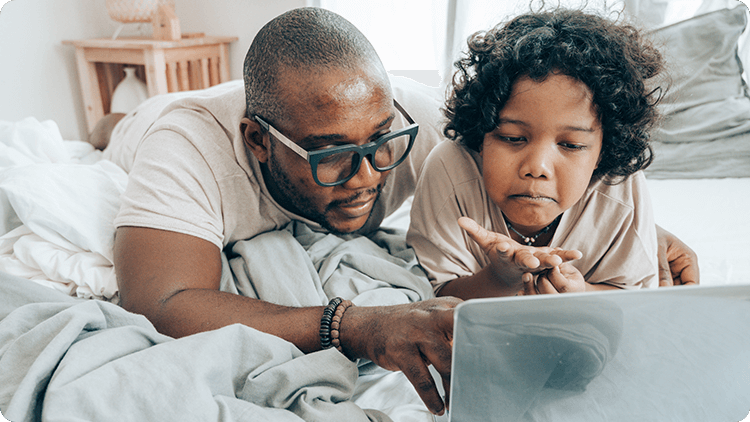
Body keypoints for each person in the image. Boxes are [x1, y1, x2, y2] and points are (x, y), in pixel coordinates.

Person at [98, 6, 698, 417]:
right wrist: (353, 324)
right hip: (148, 126)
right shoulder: (188, 153)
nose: (368, 177)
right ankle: (106, 126)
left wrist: (640, 228)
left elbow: (532, 165)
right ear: (258, 142)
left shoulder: (418, 125)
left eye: (379, 143)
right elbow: (162, 302)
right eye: (333, 155)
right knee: (113, 131)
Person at [407, 8, 687, 300]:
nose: (537, 167)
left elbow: (632, 297)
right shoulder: (449, 168)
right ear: (480, 135)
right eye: (512, 138)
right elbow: (439, 295)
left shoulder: (620, 185)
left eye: (571, 145)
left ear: (604, 154)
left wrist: (581, 294)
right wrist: (500, 279)